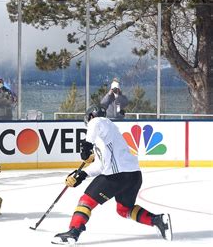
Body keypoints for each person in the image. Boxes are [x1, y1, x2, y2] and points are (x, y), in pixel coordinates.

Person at [52, 105, 172, 245]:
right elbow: (101, 166)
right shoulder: (105, 136)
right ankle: (158, 221)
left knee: (86, 200)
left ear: (90, 116)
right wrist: (82, 174)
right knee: (124, 209)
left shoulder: (100, 122)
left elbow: (95, 122)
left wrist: (86, 146)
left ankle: (73, 232)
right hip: (133, 176)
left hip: (117, 176)